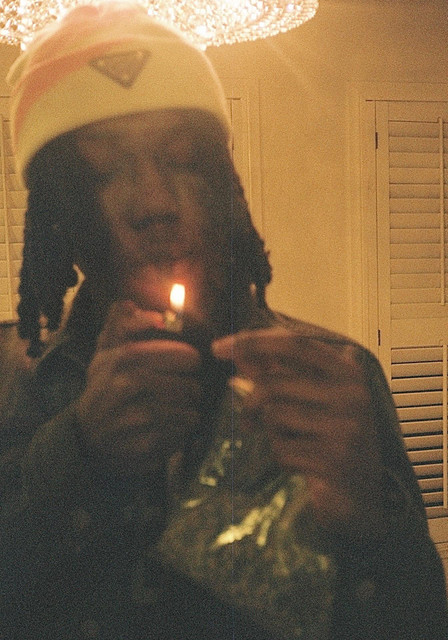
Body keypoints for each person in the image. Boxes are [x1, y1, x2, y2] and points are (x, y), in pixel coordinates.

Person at [0, 3, 447, 639]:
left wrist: (372, 516)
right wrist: (78, 457)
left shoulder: (335, 377)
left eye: (183, 159)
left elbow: (421, 620)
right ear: (57, 213)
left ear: (223, 181)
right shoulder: (11, 385)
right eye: (102, 172)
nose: (154, 202)